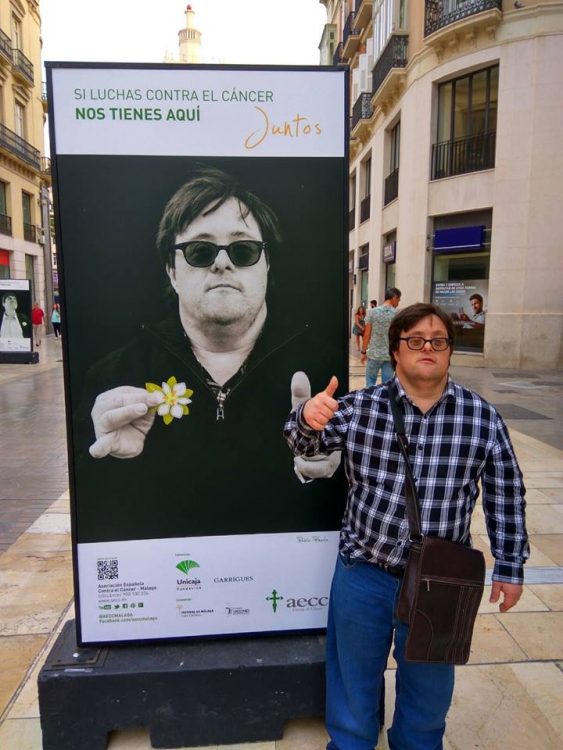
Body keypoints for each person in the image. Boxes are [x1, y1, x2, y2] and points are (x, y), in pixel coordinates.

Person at [284, 302, 529, 750]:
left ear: (450, 351)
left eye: (438, 341)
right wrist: (306, 419)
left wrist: (510, 566)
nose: (428, 348)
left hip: (441, 582)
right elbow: (301, 444)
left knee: (428, 699)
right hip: (365, 574)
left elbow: (506, 493)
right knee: (353, 692)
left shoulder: (481, 417)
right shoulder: (359, 408)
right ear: (395, 350)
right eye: (415, 340)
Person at [75, 167, 344, 543]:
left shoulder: (324, 371)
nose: (222, 263)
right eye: (200, 251)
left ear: (266, 264)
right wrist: (108, 463)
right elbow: (95, 513)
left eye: (244, 249)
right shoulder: (114, 376)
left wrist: (321, 470)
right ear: (171, 270)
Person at [361, 287, 401, 386]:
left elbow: (366, 334)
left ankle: (371, 400)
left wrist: (363, 351)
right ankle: (385, 401)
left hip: (374, 354)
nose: (398, 303)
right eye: (398, 300)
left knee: (370, 382)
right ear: (394, 297)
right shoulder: (397, 314)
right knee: (387, 384)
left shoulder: (372, 312)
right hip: (389, 355)